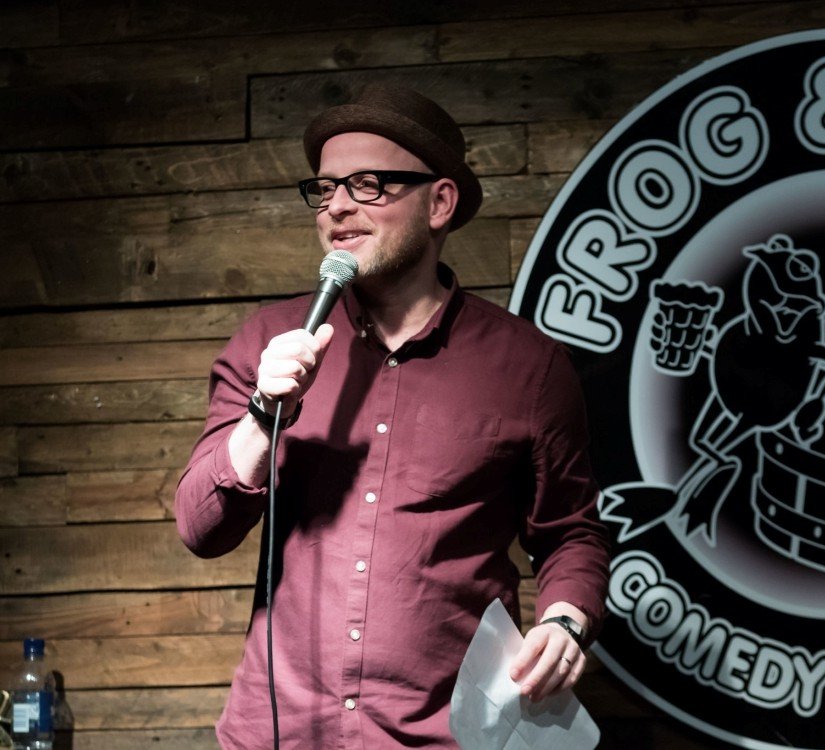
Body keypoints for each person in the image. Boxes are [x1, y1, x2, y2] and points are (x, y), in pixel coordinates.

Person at [175, 84, 610, 749]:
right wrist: (265, 415)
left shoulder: (529, 366)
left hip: (449, 734)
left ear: (440, 202)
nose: (338, 208)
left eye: (369, 185)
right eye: (324, 190)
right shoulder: (269, 341)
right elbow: (201, 529)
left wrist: (565, 622)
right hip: (283, 734)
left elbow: (571, 531)